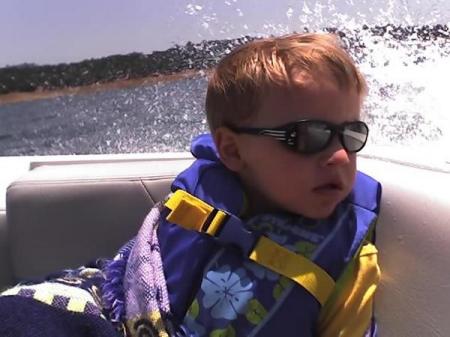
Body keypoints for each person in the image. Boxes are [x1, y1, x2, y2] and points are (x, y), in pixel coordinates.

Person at [0, 33, 381, 337]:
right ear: (232, 150)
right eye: (308, 136)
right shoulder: (206, 186)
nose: (339, 157)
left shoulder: (350, 262)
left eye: (350, 134)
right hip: (111, 306)